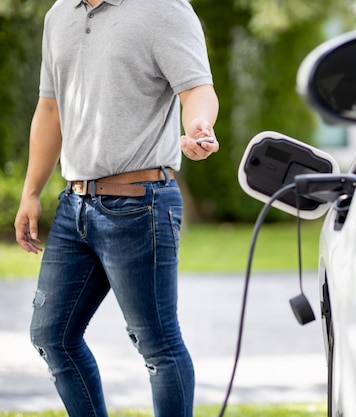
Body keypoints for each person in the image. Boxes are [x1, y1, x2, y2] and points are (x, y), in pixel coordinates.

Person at [13, 0, 219, 416]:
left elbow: (197, 88)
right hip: (75, 206)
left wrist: (198, 125)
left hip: (140, 205)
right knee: (52, 335)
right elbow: (50, 108)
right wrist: (31, 191)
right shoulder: (59, 15)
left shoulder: (163, 9)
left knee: (157, 345)